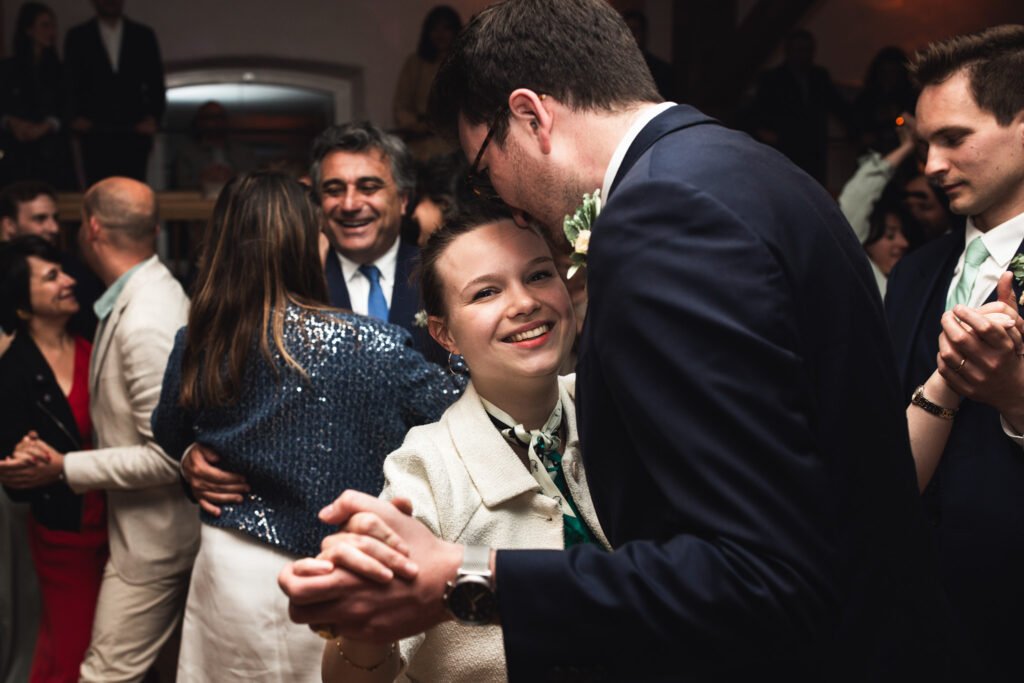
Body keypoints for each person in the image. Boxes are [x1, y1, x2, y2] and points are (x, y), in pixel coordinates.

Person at [279, 2, 954, 681]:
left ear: (531, 116)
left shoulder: (662, 213)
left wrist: (466, 576)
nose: (503, 200)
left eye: (485, 169)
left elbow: (759, 568)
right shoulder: (751, 167)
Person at [149, 171, 461, 682]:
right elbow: (458, 410)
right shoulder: (367, 344)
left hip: (229, 568)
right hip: (329, 569)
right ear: (304, 242)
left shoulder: (199, 339)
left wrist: (188, 456)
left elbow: (168, 429)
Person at [302, 207, 607, 681]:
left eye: (539, 275)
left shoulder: (614, 407)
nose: (524, 302)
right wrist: (366, 617)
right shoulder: (425, 467)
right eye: (486, 292)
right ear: (445, 334)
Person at [13, 177, 196, 682]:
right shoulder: (142, 294)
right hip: (138, 533)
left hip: (153, 544)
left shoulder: (146, 318)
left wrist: (63, 466)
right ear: (153, 231)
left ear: (92, 228)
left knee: (103, 675)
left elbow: (168, 455)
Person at [885, 25, 1024, 682]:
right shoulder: (916, 273)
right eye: (924, 144)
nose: (932, 165)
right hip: (909, 619)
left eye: (953, 138)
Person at [0, 236, 107, 683]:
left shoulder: (92, 344)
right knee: (74, 648)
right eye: (51, 277)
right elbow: (12, 468)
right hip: (66, 534)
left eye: (62, 271)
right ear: (23, 306)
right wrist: (22, 458)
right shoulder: (14, 370)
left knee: (90, 644)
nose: (68, 281)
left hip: (115, 523)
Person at [312, 122, 445, 364]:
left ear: (403, 200)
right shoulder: (304, 281)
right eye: (334, 190)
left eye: (368, 188)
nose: (349, 205)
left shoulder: (437, 274)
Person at [64, 0, 165, 184]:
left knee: (133, 189)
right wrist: (75, 117)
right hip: (95, 132)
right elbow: (69, 82)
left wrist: (153, 118)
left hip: (134, 131)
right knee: (99, 189)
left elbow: (156, 82)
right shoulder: (78, 36)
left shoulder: (142, 35)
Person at [747, 29, 851, 184]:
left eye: (807, 50)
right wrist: (765, 133)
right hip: (785, 146)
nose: (803, 55)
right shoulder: (773, 79)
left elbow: (839, 107)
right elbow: (757, 111)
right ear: (788, 51)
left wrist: (856, 131)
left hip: (814, 147)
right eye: (798, 50)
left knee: (813, 187)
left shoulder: (819, 77)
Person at [0, 180, 103, 338]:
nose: (54, 228)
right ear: (9, 226)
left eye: (55, 218)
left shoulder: (74, 272)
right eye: (40, 219)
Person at [0, 2, 72, 189]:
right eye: (45, 25)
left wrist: (46, 126)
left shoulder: (60, 70)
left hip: (52, 154)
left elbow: (67, 107)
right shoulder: (8, 69)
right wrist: (11, 122)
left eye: (53, 26)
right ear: (29, 30)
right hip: (16, 152)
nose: (51, 32)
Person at [392, 5, 461, 161]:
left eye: (446, 28)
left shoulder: (463, 65)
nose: (440, 34)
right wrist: (417, 124)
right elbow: (400, 106)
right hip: (419, 144)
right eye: (435, 28)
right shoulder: (415, 63)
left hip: (453, 148)